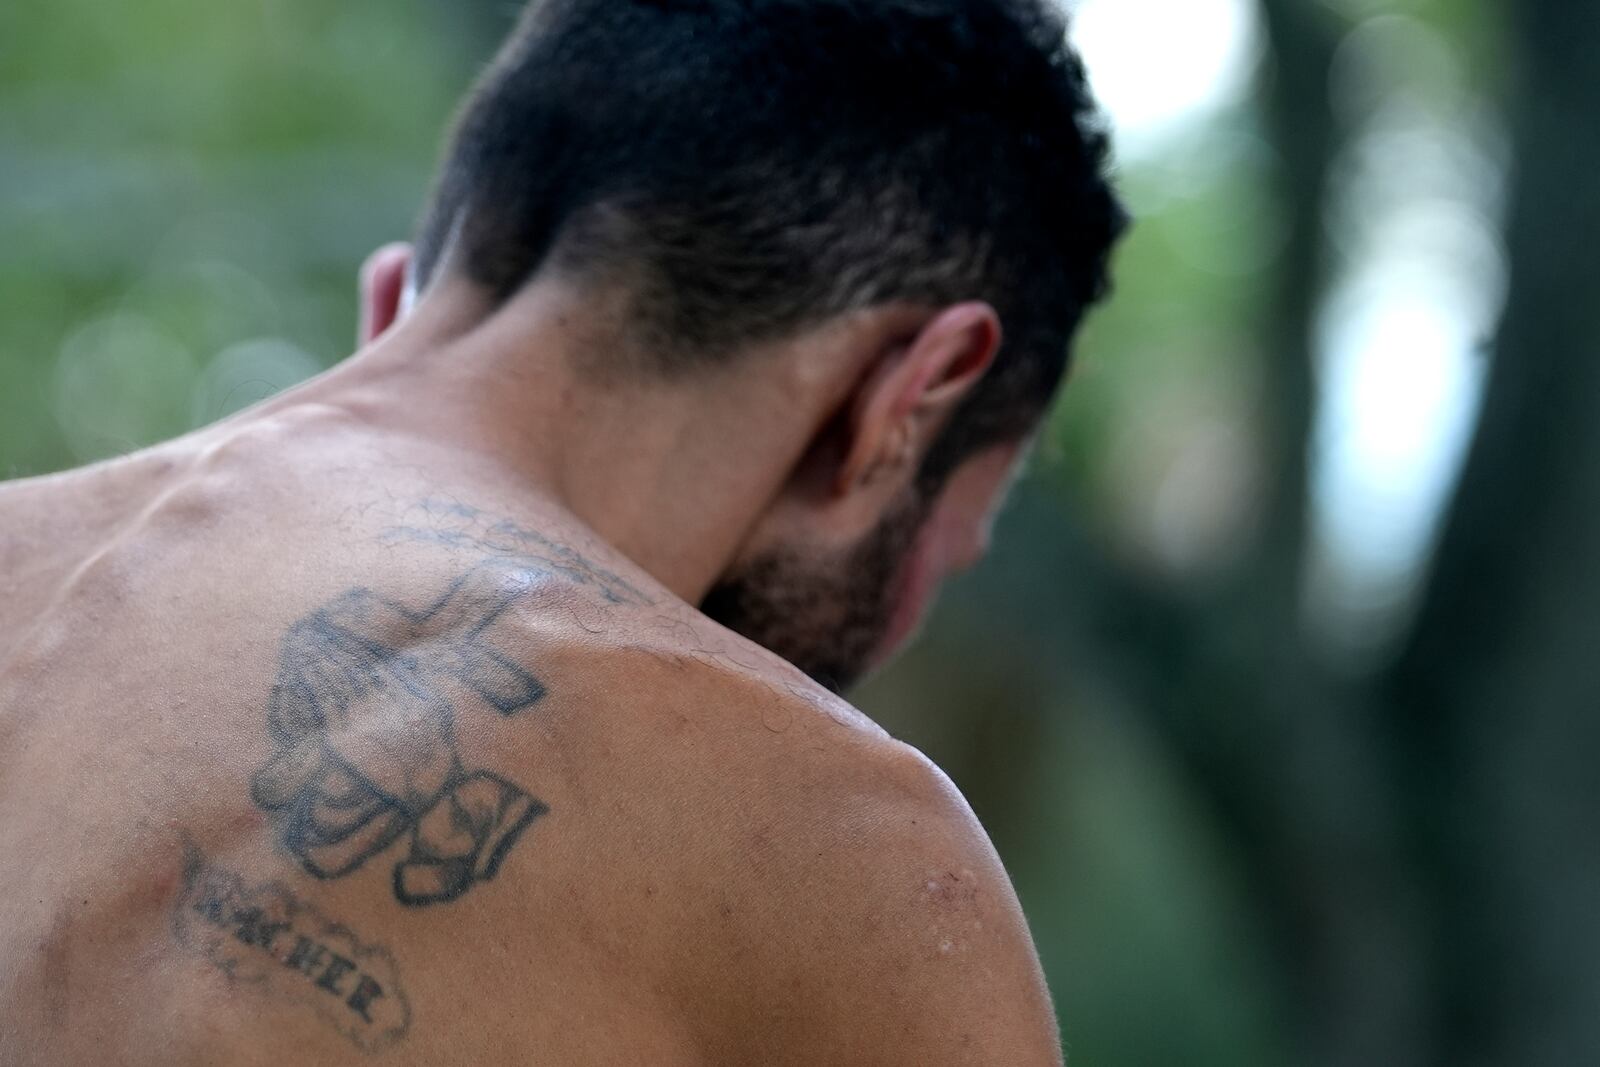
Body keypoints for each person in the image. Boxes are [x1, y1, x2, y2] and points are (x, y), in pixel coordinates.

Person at [0, 0, 1125, 1061]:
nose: (906, 623)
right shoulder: (840, 846)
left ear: (395, 301)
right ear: (902, 403)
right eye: (949, 543)